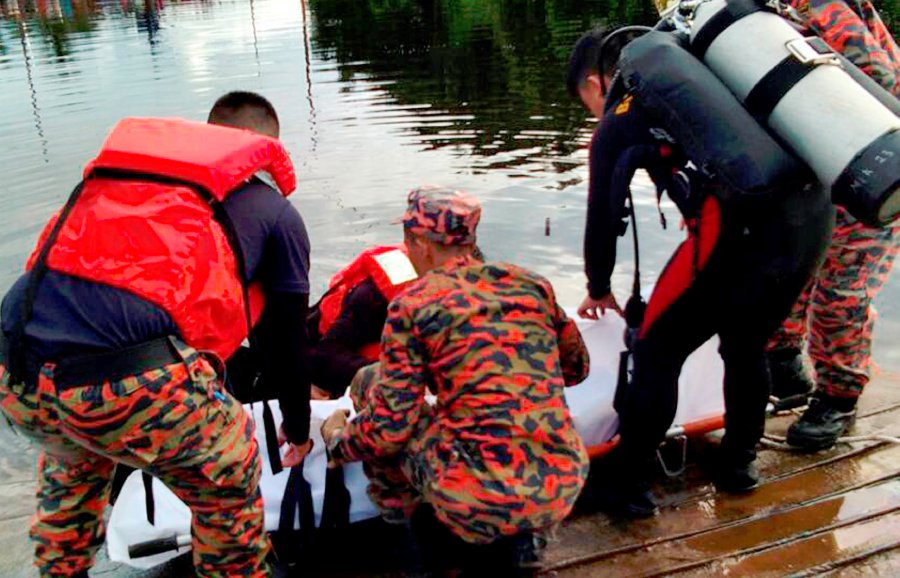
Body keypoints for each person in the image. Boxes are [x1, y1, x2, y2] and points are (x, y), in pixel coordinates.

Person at [0, 91, 312, 578]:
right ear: (265, 151)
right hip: (124, 386)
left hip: (16, 371)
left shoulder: (128, 189)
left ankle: (61, 570)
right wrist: (296, 426)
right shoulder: (274, 213)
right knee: (228, 469)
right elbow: (284, 342)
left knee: (75, 466)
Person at [567, 28, 833, 515]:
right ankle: (738, 464)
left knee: (655, 352)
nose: (591, 112)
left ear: (594, 82)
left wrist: (599, 284)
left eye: (585, 100)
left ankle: (629, 486)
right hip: (810, 222)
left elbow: (602, 216)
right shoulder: (720, 80)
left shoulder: (622, 118)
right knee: (746, 343)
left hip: (734, 234)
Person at [320, 185, 591, 573]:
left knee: (370, 383)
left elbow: (390, 429)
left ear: (421, 244)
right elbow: (576, 369)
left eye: (408, 240)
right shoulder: (532, 286)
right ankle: (525, 541)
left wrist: (337, 442)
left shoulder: (412, 306)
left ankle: (408, 543)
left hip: (476, 499)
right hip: (559, 483)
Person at [766, 0, 900, 451]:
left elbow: (875, 75)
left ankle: (839, 398)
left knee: (842, 289)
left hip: (876, 161)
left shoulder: (819, 1)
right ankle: (784, 363)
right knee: (791, 263)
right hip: (820, 159)